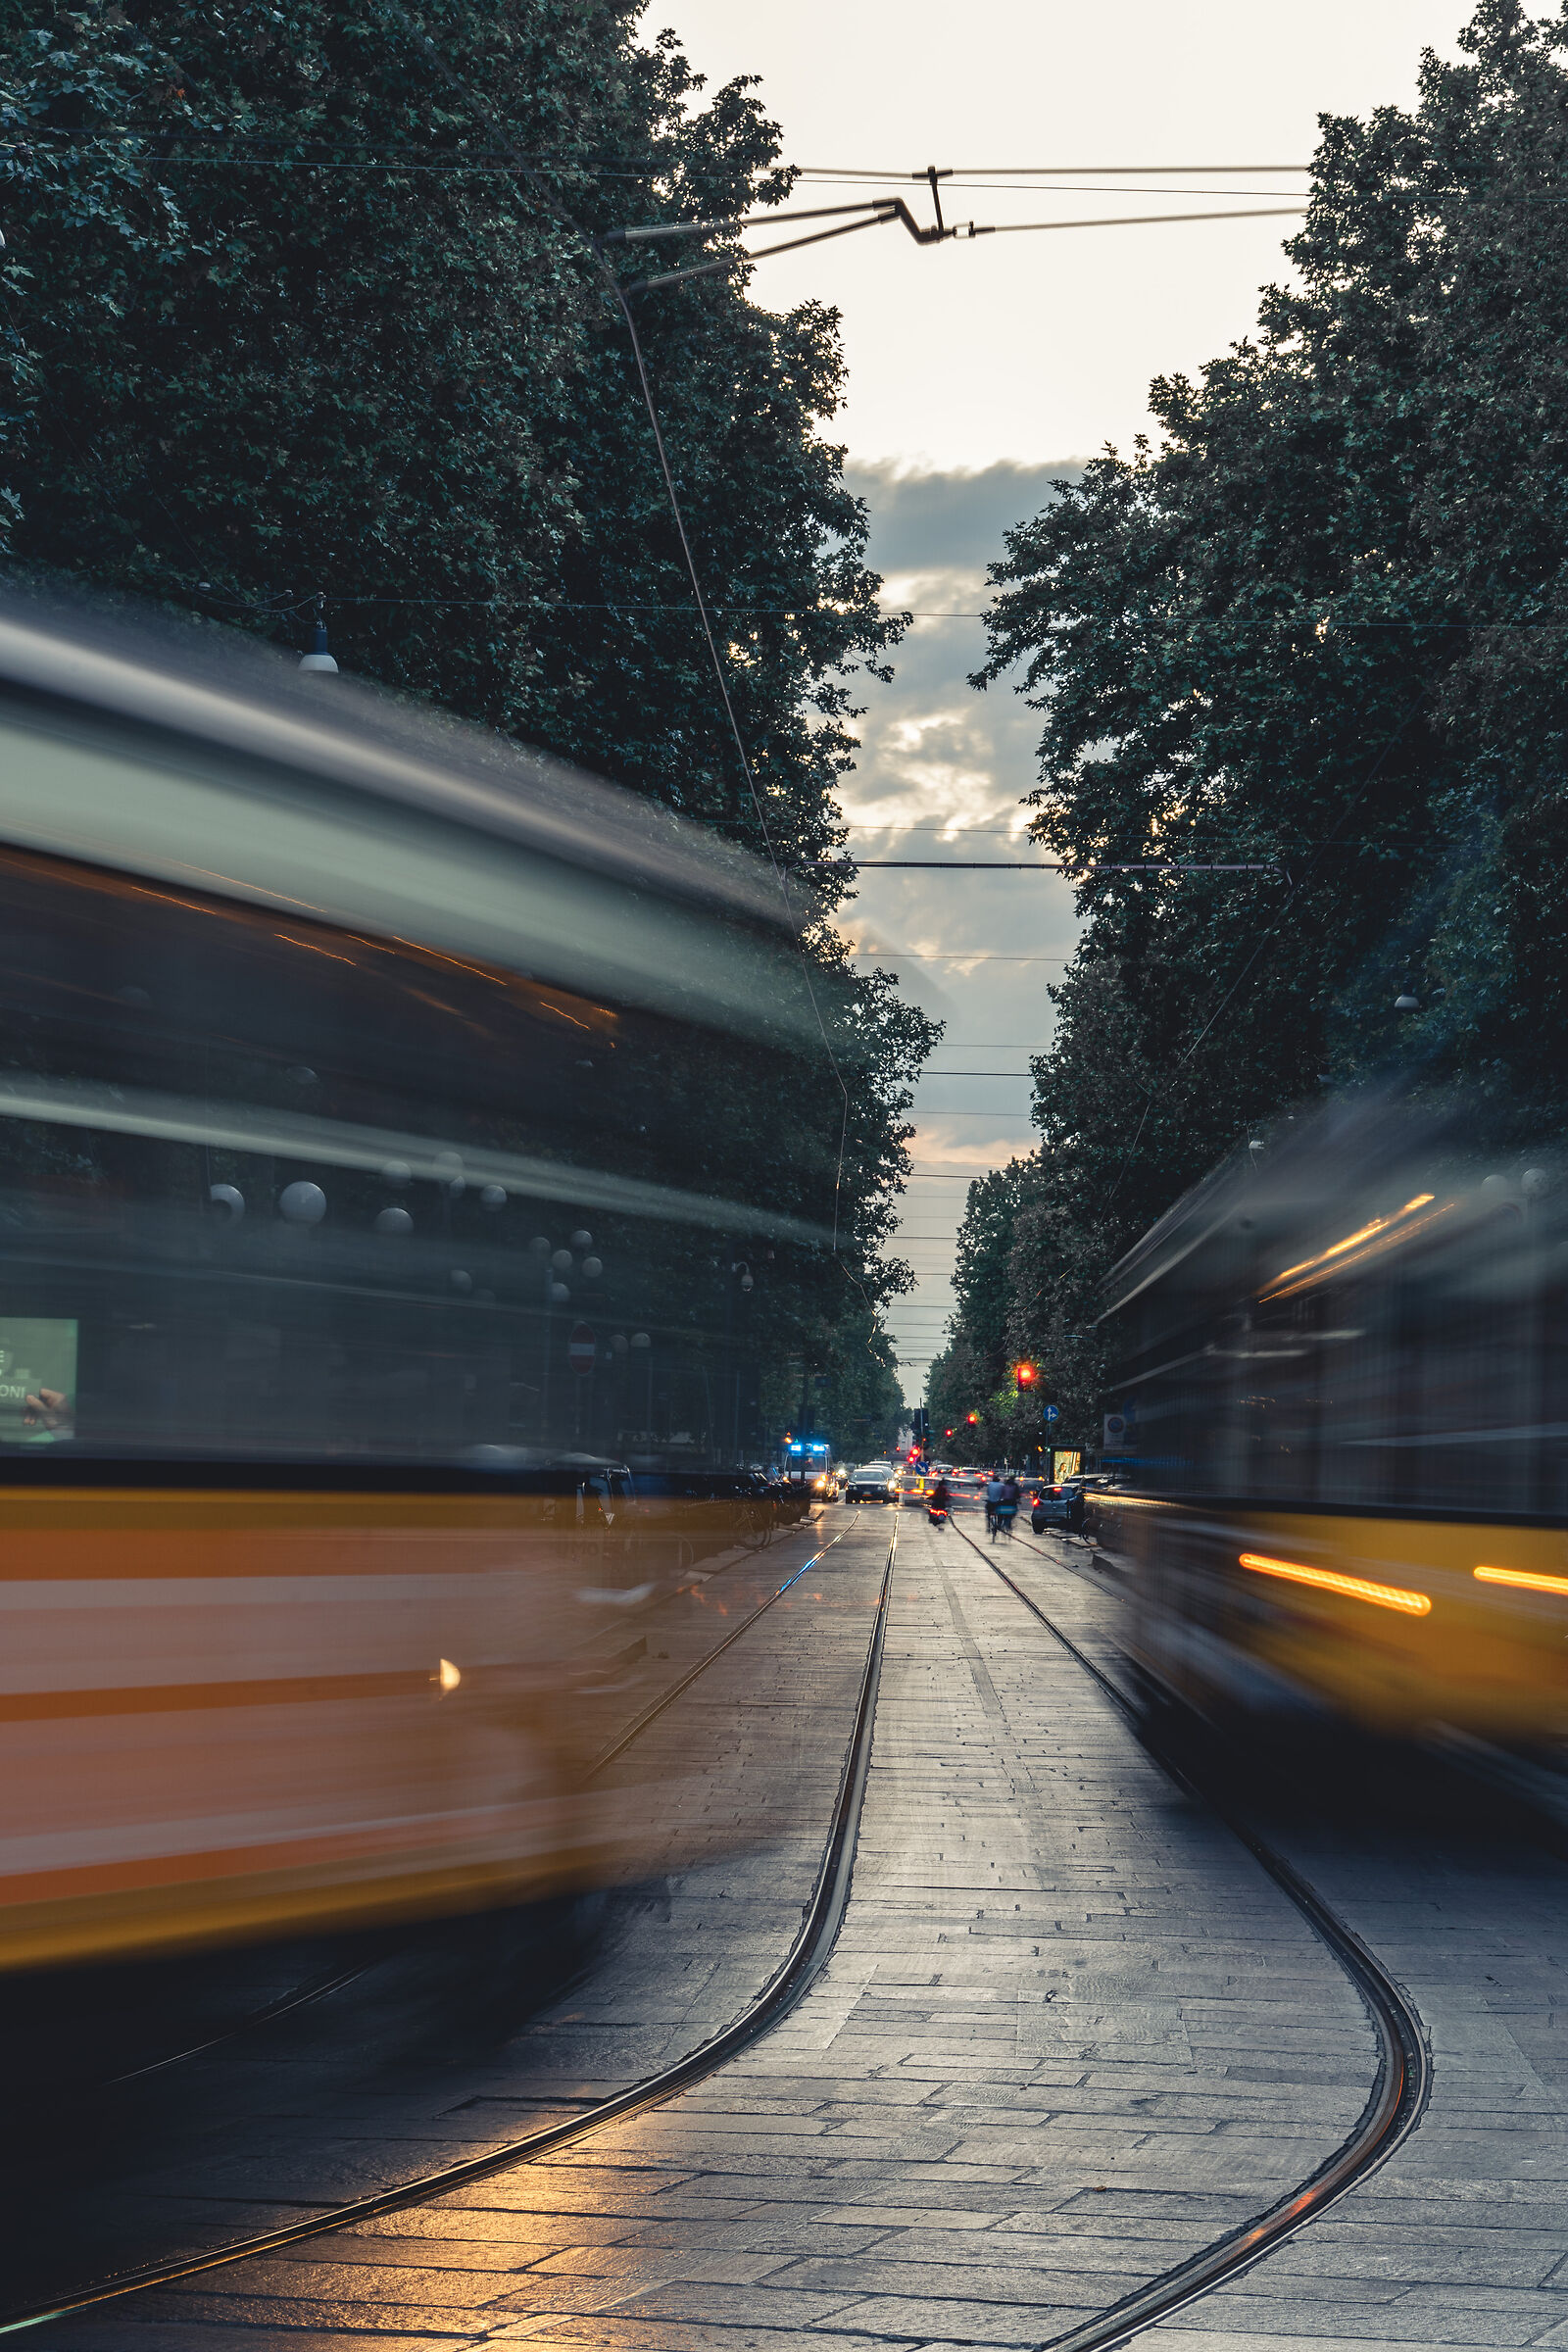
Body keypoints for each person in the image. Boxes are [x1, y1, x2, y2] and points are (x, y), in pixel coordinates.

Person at [997, 1473, 1020, 1540]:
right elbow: (1017, 1495)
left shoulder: (1004, 1485)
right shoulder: (1015, 1486)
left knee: (1000, 1512)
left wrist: (1000, 1499)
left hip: (1004, 1502)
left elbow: (1001, 1494)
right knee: (1012, 1513)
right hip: (1012, 1502)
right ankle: (1009, 1522)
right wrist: (1018, 1500)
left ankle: (999, 1523)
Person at [984, 1470, 1004, 1538]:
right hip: (998, 1502)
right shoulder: (1002, 1485)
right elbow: (1002, 1494)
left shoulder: (990, 1484)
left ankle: (988, 1526)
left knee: (988, 1513)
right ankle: (999, 1524)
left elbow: (988, 1493)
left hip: (990, 1502)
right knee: (1001, 1514)